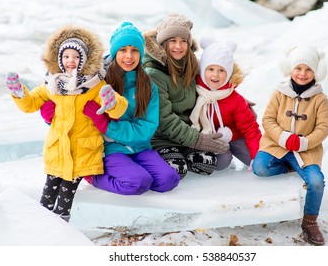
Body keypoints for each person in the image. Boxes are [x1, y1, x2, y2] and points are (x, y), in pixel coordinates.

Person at [5, 25, 128, 222]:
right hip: (58, 151)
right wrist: (19, 93)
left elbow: (119, 108)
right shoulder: (52, 85)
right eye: (66, 57)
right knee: (47, 195)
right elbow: (31, 104)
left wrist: (111, 101)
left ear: (84, 60)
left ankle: (61, 231)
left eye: (76, 57)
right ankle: (41, 228)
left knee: (65, 196)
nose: (71, 61)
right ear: (60, 60)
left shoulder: (95, 85)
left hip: (82, 152)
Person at [82, 22, 180, 195]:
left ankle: (134, 170)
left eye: (134, 50)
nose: (129, 56)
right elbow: (74, 110)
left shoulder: (147, 85)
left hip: (140, 146)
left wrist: (107, 126)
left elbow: (147, 128)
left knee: (168, 180)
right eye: (123, 50)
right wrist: (49, 116)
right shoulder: (98, 82)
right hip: (111, 149)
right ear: (115, 52)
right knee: (138, 182)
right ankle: (94, 177)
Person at [252, 44, 328, 245]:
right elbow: (268, 120)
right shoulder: (279, 92)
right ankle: (287, 166)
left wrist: (304, 142)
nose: (302, 74)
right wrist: (284, 137)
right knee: (260, 168)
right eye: (298, 68)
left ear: (316, 72)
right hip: (277, 144)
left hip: (306, 150)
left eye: (308, 69)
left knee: (316, 182)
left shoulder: (320, 99)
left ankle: (310, 221)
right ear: (290, 69)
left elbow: (323, 129)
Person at [142, 13, 229, 180]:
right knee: (177, 170)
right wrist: (196, 140)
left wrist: (231, 95)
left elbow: (211, 82)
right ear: (163, 42)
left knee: (208, 164)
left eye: (183, 41)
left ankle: (183, 152)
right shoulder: (154, 73)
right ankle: (156, 157)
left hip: (188, 131)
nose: (178, 46)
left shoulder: (191, 63)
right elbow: (163, 118)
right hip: (161, 137)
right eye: (172, 41)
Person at [189, 37, 262, 171]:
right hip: (208, 138)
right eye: (210, 69)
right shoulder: (194, 91)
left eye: (221, 70)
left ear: (228, 73)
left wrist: (256, 157)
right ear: (203, 68)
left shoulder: (234, 99)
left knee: (255, 157)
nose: (215, 75)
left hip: (234, 136)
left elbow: (250, 128)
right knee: (222, 162)